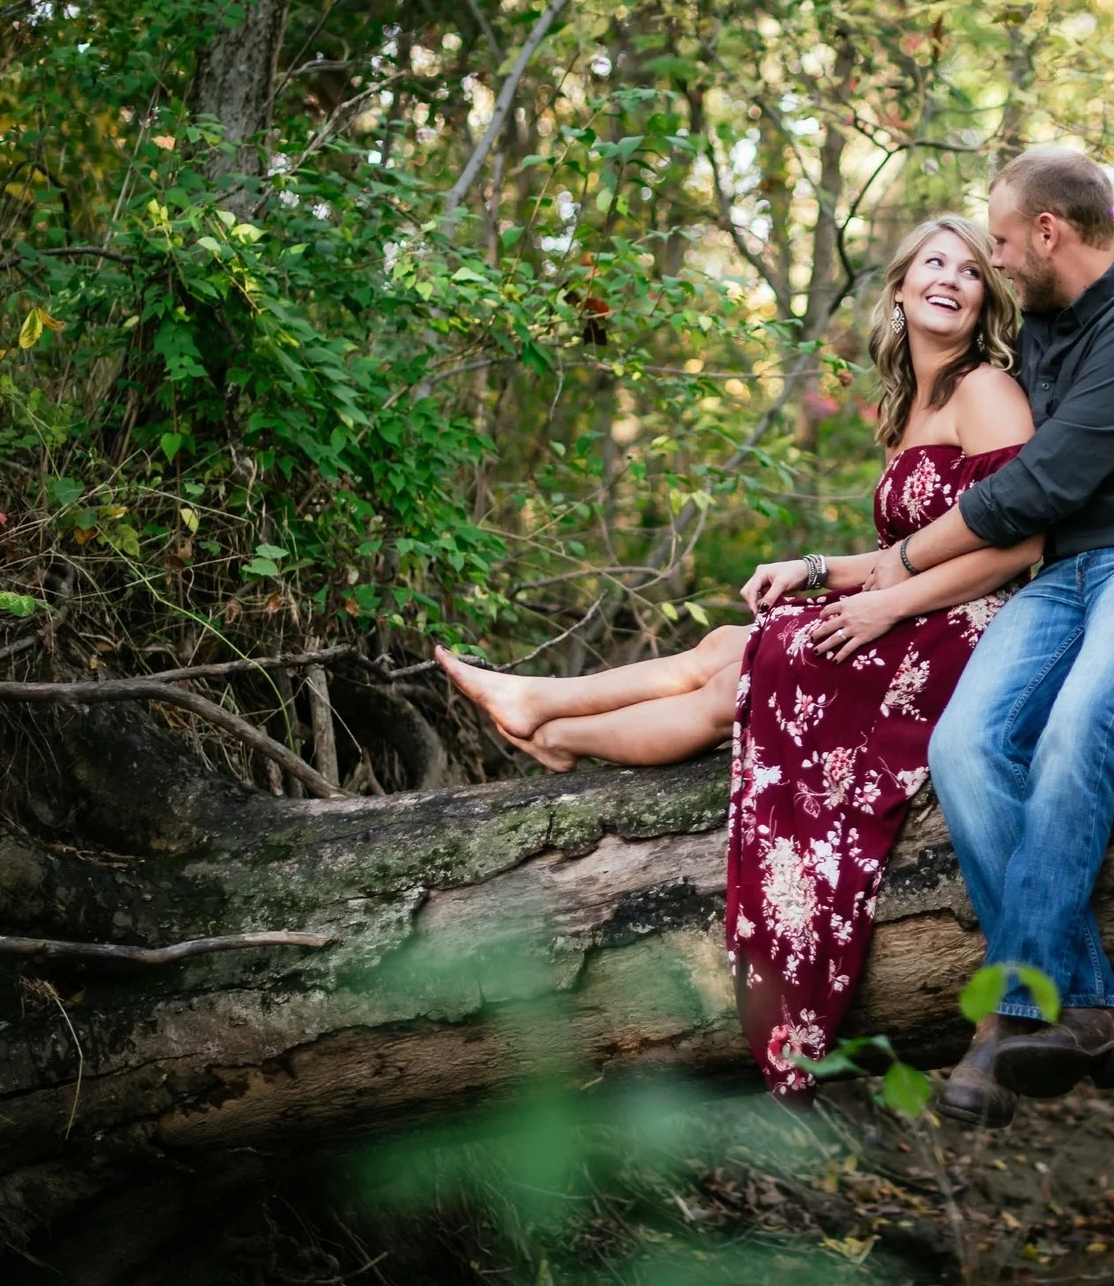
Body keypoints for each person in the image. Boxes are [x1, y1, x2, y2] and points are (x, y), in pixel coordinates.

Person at [437, 214, 1041, 1098]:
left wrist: (879, 607)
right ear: (901, 287)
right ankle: (545, 709)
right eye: (934, 262)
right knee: (734, 642)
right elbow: (907, 551)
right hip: (917, 608)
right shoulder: (909, 404)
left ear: (987, 298)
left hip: (970, 631)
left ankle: (552, 723)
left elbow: (1019, 543)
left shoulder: (986, 388)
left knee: (759, 662)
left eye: (971, 270)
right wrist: (814, 569)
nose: (951, 278)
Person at [857, 148, 1114, 1130]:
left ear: (1048, 233)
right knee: (964, 746)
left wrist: (903, 561)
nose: (995, 261)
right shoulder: (1040, 330)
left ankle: (1008, 1015)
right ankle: (1088, 1009)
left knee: (1081, 721)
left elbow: (1039, 485)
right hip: (1067, 575)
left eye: (1002, 243)